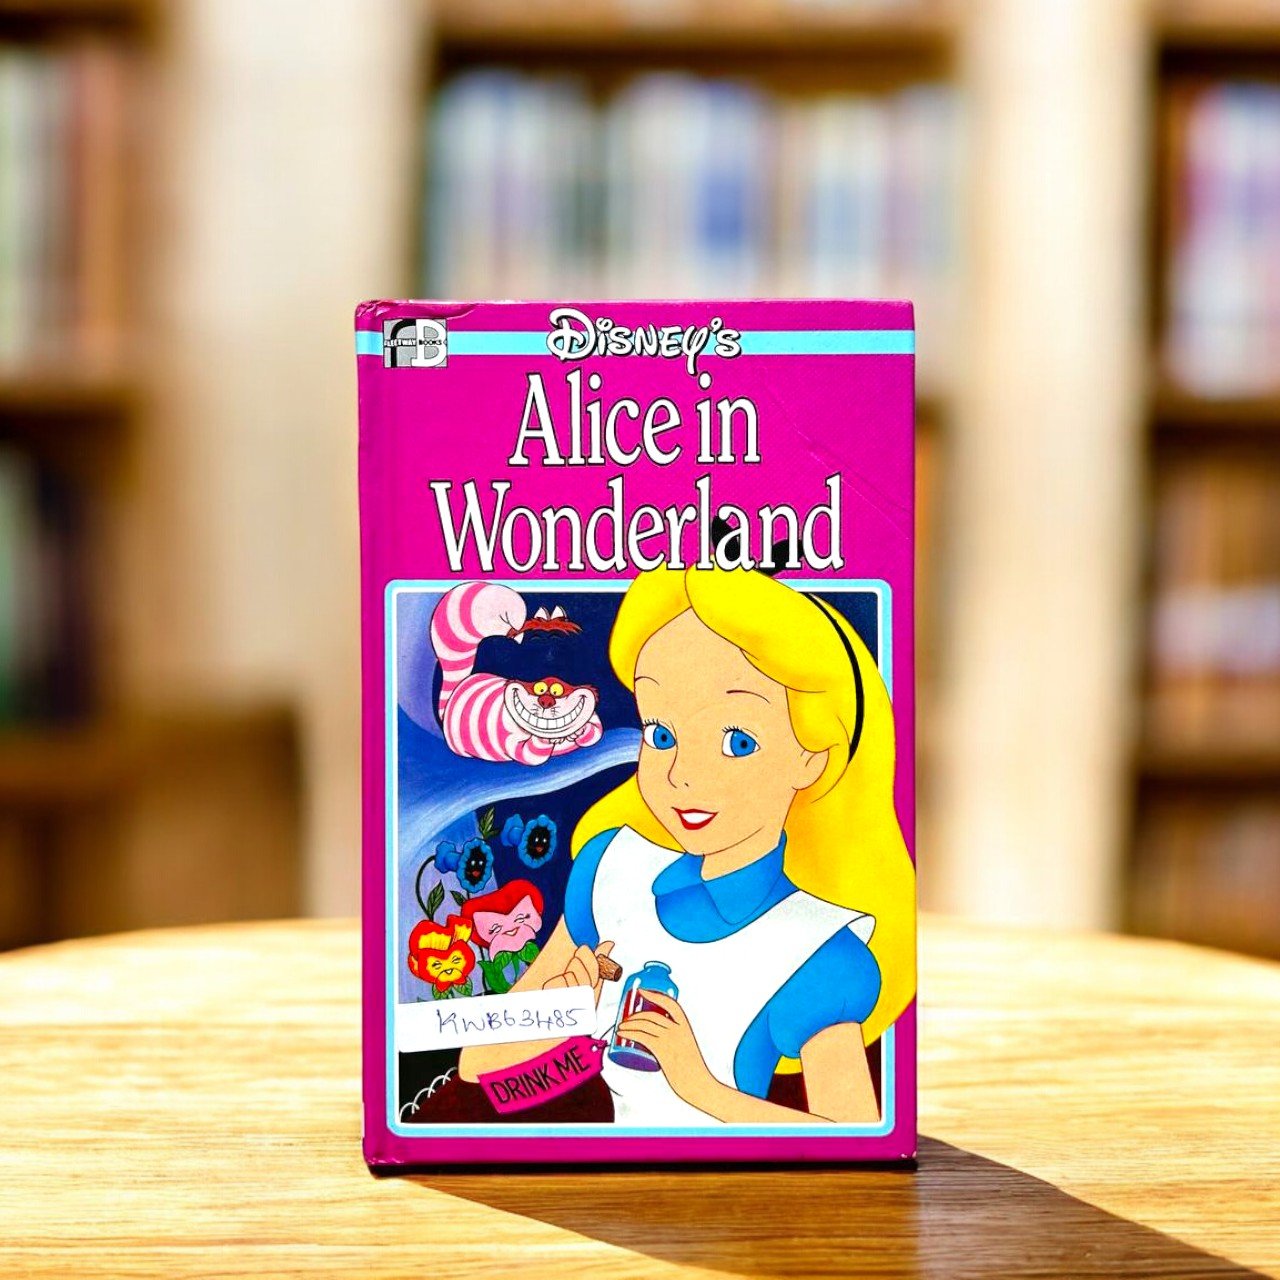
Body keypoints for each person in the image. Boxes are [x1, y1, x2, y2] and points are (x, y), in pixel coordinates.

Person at [457, 564, 915, 1125]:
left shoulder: (817, 950)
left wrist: (698, 1086)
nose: (682, 775)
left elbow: (857, 1137)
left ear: (811, 758)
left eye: (737, 741)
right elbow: (478, 1063)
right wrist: (562, 1013)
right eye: (662, 735)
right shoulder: (611, 870)